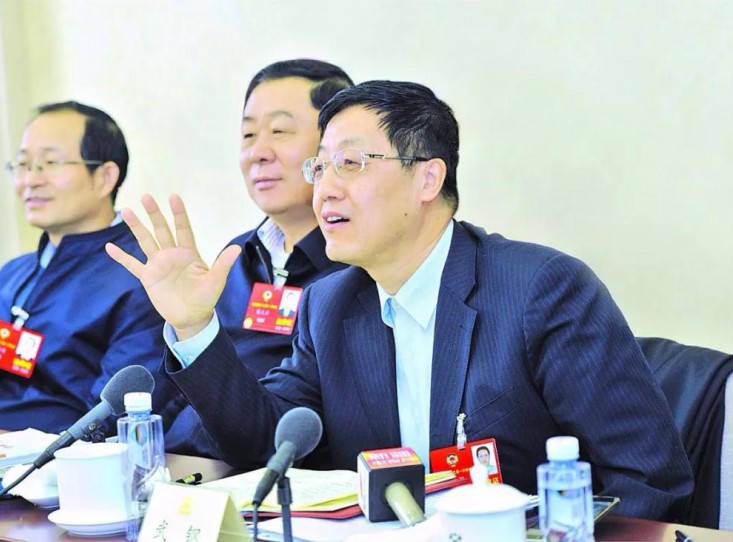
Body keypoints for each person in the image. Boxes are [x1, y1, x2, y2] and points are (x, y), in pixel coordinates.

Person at [107, 81, 693, 520]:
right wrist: (196, 327)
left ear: (428, 179)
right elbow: (267, 444)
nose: (324, 189)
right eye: (320, 167)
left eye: (350, 164)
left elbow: (646, 481)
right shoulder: (330, 305)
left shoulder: (541, 289)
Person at [160, 60, 353, 454]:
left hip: (276, 468)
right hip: (187, 467)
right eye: (248, 134)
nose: (258, 153)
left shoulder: (358, 266)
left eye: (280, 131)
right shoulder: (235, 257)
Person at [0, 101, 174, 438]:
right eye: (23, 164)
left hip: (64, 458)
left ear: (105, 177)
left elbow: (110, 415)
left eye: (49, 163)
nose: (30, 180)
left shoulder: (144, 274)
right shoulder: (13, 275)